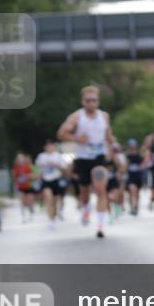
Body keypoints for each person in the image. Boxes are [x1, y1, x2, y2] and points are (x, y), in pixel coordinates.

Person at [57, 85, 116, 239]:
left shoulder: (104, 116)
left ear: (98, 101)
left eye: (94, 100)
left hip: (99, 157)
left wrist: (112, 145)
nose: (91, 103)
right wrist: (77, 138)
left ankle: (100, 226)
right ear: (83, 101)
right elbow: (61, 133)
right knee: (84, 192)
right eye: (88, 100)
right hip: (83, 158)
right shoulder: (77, 117)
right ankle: (85, 208)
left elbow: (109, 135)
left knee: (100, 188)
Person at [35, 140, 66, 229]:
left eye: (51, 146)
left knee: (54, 202)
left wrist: (57, 166)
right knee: (49, 199)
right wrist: (38, 178)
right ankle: (50, 220)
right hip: (46, 180)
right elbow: (38, 169)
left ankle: (54, 216)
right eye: (47, 146)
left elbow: (64, 168)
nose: (49, 148)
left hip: (56, 180)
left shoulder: (58, 156)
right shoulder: (41, 156)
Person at [13, 152, 37, 223]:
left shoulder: (28, 166)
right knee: (23, 201)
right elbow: (15, 178)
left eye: (21, 158)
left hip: (29, 186)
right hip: (21, 187)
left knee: (30, 201)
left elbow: (33, 175)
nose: (20, 160)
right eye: (19, 158)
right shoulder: (16, 168)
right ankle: (24, 216)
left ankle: (30, 214)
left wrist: (28, 176)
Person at [125, 138, 145, 215]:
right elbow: (123, 167)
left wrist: (141, 167)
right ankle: (133, 207)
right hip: (130, 177)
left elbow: (143, 164)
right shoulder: (126, 155)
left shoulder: (139, 155)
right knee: (132, 191)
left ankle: (135, 205)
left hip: (138, 176)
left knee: (137, 192)